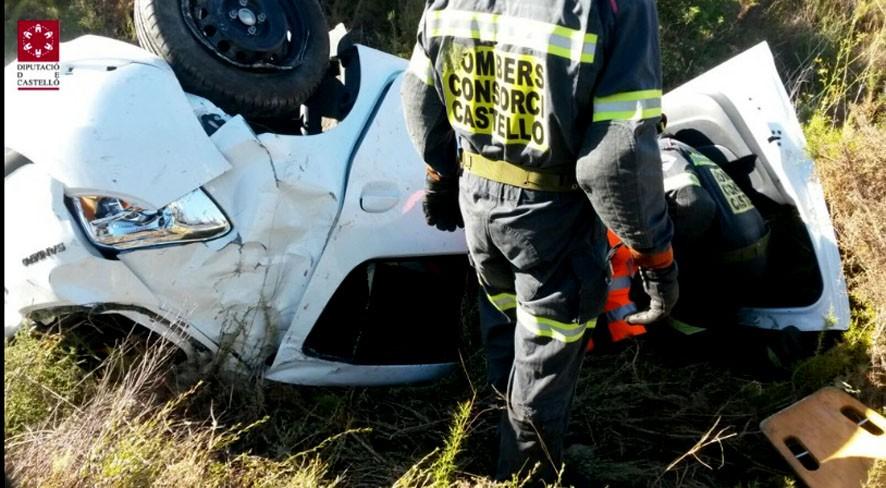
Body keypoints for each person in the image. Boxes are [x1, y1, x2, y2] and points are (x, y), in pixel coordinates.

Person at [401, 0, 678, 481]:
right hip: (551, 217)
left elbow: (420, 96)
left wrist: (441, 176)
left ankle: (494, 436)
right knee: (544, 360)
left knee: (504, 322)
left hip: (477, 200)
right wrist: (655, 256)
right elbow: (618, 154)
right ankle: (524, 473)